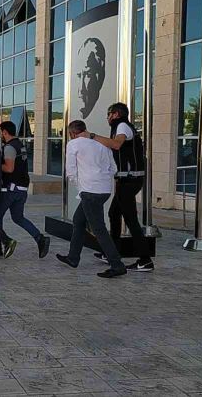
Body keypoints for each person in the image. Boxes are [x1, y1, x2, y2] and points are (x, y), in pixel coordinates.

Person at [56, 120, 127, 278]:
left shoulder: (73, 144)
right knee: (78, 221)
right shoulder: (101, 144)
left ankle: (117, 264)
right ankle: (73, 257)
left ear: (72, 133)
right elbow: (113, 168)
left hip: (89, 191)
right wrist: (102, 180)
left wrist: (81, 187)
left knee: (99, 229)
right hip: (103, 190)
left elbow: (71, 171)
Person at [88, 103, 152, 272]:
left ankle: (145, 260)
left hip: (131, 180)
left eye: (108, 114)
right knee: (114, 213)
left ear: (115, 114)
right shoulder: (120, 126)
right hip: (126, 180)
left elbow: (116, 144)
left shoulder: (122, 125)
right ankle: (111, 252)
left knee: (131, 220)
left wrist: (92, 136)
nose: (107, 118)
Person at [0, 121, 50, 259]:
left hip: (10, 189)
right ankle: (40, 238)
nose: (0, 135)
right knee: (18, 218)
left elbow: (9, 168)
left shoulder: (9, 147)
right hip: (21, 189)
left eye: (0, 132)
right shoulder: (20, 145)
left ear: (4, 132)